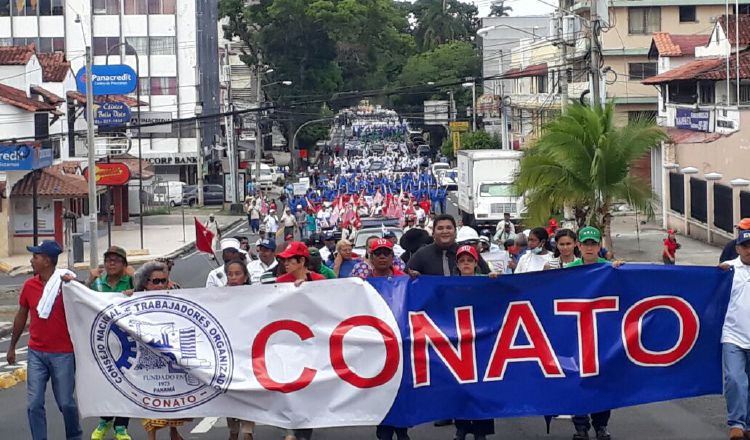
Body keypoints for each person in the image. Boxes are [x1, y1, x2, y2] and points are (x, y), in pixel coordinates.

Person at [7, 241, 82, 440]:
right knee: (34, 403)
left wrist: (82, 282)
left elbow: (88, 302)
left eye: (36, 257)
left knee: (66, 402)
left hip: (63, 354)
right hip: (36, 352)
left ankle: (74, 436)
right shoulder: (29, 285)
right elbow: (21, 315)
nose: (32, 260)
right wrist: (12, 347)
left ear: (47, 261)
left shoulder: (67, 285)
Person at [565, 226, 622, 440]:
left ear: (599, 246)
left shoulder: (610, 269)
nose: (589, 248)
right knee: (576, 381)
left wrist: (620, 269)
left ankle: (601, 426)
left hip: (602, 337)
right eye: (585, 244)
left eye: (593, 244)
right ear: (578, 246)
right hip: (574, 336)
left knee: (601, 382)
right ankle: (580, 426)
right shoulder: (568, 271)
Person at [136, 262, 192, 440]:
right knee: (150, 396)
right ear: (146, 283)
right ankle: (151, 436)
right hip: (147, 356)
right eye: (155, 281)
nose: (160, 285)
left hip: (171, 355)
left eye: (163, 281)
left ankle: (174, 431)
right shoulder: (134, 300)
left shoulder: (176, 296)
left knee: (173, 395)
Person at [88, 246, 134, 440]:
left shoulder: (131, 282)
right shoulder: (97, 284)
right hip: (103, 342)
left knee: (128, 383)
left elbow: (153, 290)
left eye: (116, 260)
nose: (111, 263)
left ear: (124, 264)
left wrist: (136, 282)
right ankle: (105, 419)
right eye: (108, 260)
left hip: (128, 342)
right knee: (105, 382)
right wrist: (88, 280)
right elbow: (78, 298)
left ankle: (121, 426)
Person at [454, 244, 496, 440]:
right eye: (462, 261)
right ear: (457, 264)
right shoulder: (448, 285)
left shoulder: (485, 281)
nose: (466, 264)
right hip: (459, 342)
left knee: (483, 387)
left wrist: (495, 281)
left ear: (476, 263)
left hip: (483, 341)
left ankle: (481, 430)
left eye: (469, 260)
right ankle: (461, 427)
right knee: (460, 387)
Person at [720, 229, 750, 440]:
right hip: (733, 336)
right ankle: (737, 423)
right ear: (738, 248)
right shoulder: (727, 269)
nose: (749, 250)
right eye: (745, 246)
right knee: (735, 379)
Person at [223, 260, 256, 440]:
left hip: (248, 354)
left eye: (238, 274)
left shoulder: (255, 296)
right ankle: (233, 431)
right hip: (227, 355)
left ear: (245, 277)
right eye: (230, 274)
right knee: (229, 395)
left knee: (248, 394)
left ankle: (248, 432)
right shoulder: (216, 297)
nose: (234, 277)